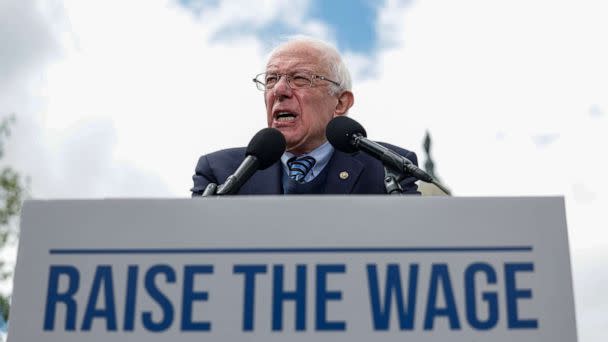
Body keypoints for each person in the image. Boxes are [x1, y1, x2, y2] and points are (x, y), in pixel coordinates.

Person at [191, 37, 419, 195]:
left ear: (340, 102)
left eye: (299, 78)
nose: (279, 91)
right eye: (271, 79)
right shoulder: (219, 171)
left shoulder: (389, 169)